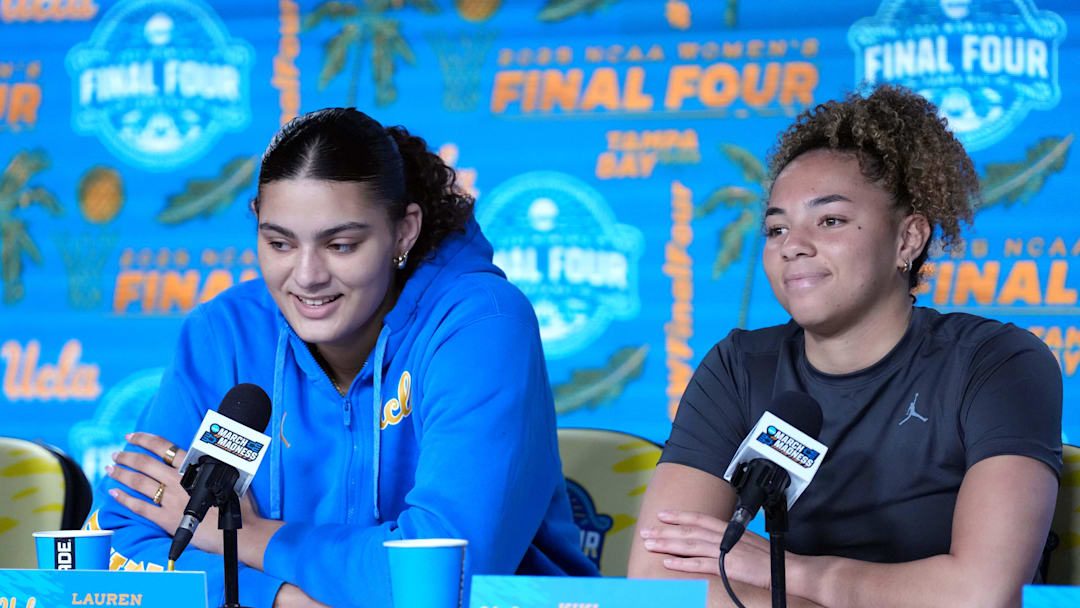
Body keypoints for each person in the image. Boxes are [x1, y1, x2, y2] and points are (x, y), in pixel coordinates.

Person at [85, 107, 597, 607]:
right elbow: (121, 546)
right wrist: (280, 599)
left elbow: (440, 575)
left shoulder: (482, 325)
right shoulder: (226, 334)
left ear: (404, 231)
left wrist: (252, 537)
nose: (307, 275)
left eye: (341, 245)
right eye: (280, 243)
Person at [627, 85, 1062, 608]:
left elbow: (979, 593)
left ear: (908, 240)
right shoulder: (739, 366)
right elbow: (657, 579)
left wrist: (784, 571)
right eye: (776, 227)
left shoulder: (996, 362)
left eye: (829, 220)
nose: (793, 245)